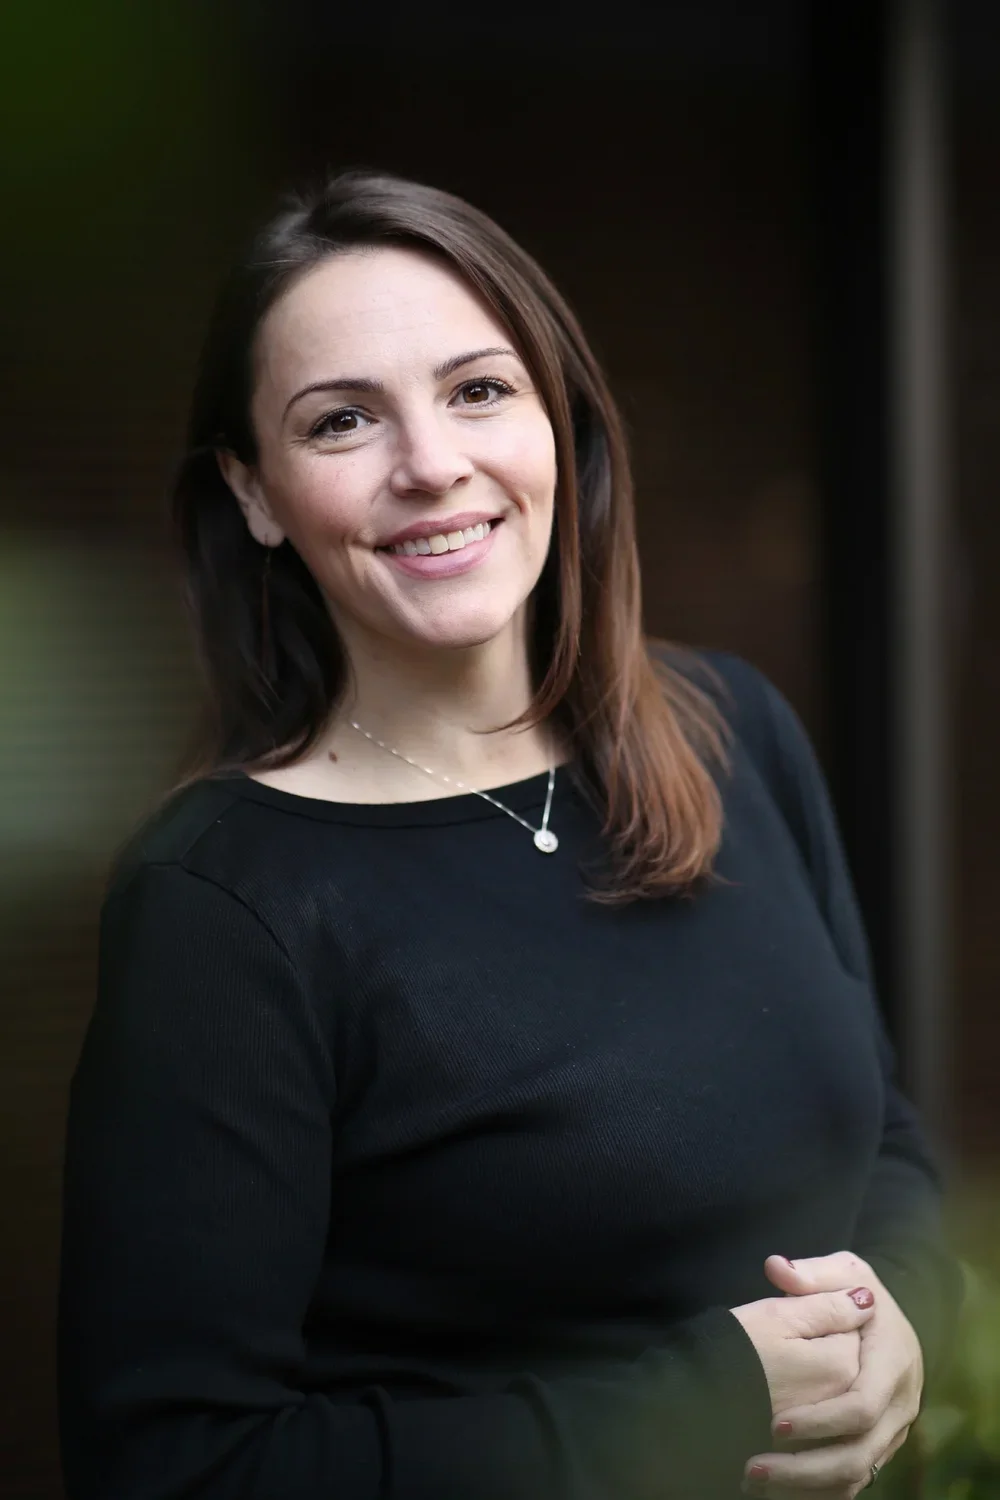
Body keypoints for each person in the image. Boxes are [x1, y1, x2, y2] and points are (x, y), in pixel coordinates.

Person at [56, 169, 962, 1500]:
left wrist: (907, 1324)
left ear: (559, 419)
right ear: (253, 494)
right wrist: (713, 1402)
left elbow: (882, 1135)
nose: (432, 464)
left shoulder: (728, 728)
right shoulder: (223, 904)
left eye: (479, 389)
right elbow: (177, 1465)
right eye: (342, 420)